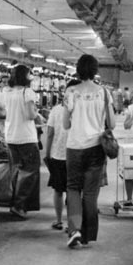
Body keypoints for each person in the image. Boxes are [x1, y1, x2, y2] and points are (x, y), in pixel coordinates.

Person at [63, 54, 115, 248]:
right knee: (91, 193)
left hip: (74, 146)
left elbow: (65, 124)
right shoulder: (103, 92)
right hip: (95, 148)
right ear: (95, 70)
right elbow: (112, 123)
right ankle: (87, 235)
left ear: (78, 69)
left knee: (73, 188)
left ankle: (75, 229)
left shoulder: (70, 91)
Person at [2, 65, 40, 220]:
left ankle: (14, 203)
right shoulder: (28, 92)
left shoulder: (6, 92)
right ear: (25, 76)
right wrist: (37, 112)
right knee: (30, 171)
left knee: (16, 170)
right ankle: (19, 205)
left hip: (10, 136)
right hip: (27, 137)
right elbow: (31, 115)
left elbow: (4, 112)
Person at [45, 79, 81, 231]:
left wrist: (47, 154)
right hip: (76, 155)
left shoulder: (55, 110)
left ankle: (59, 220)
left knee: (58, 190)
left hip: (58, 155)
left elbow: (50, 134)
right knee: (74, 192)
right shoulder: (81, 111)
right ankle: (71, 224)